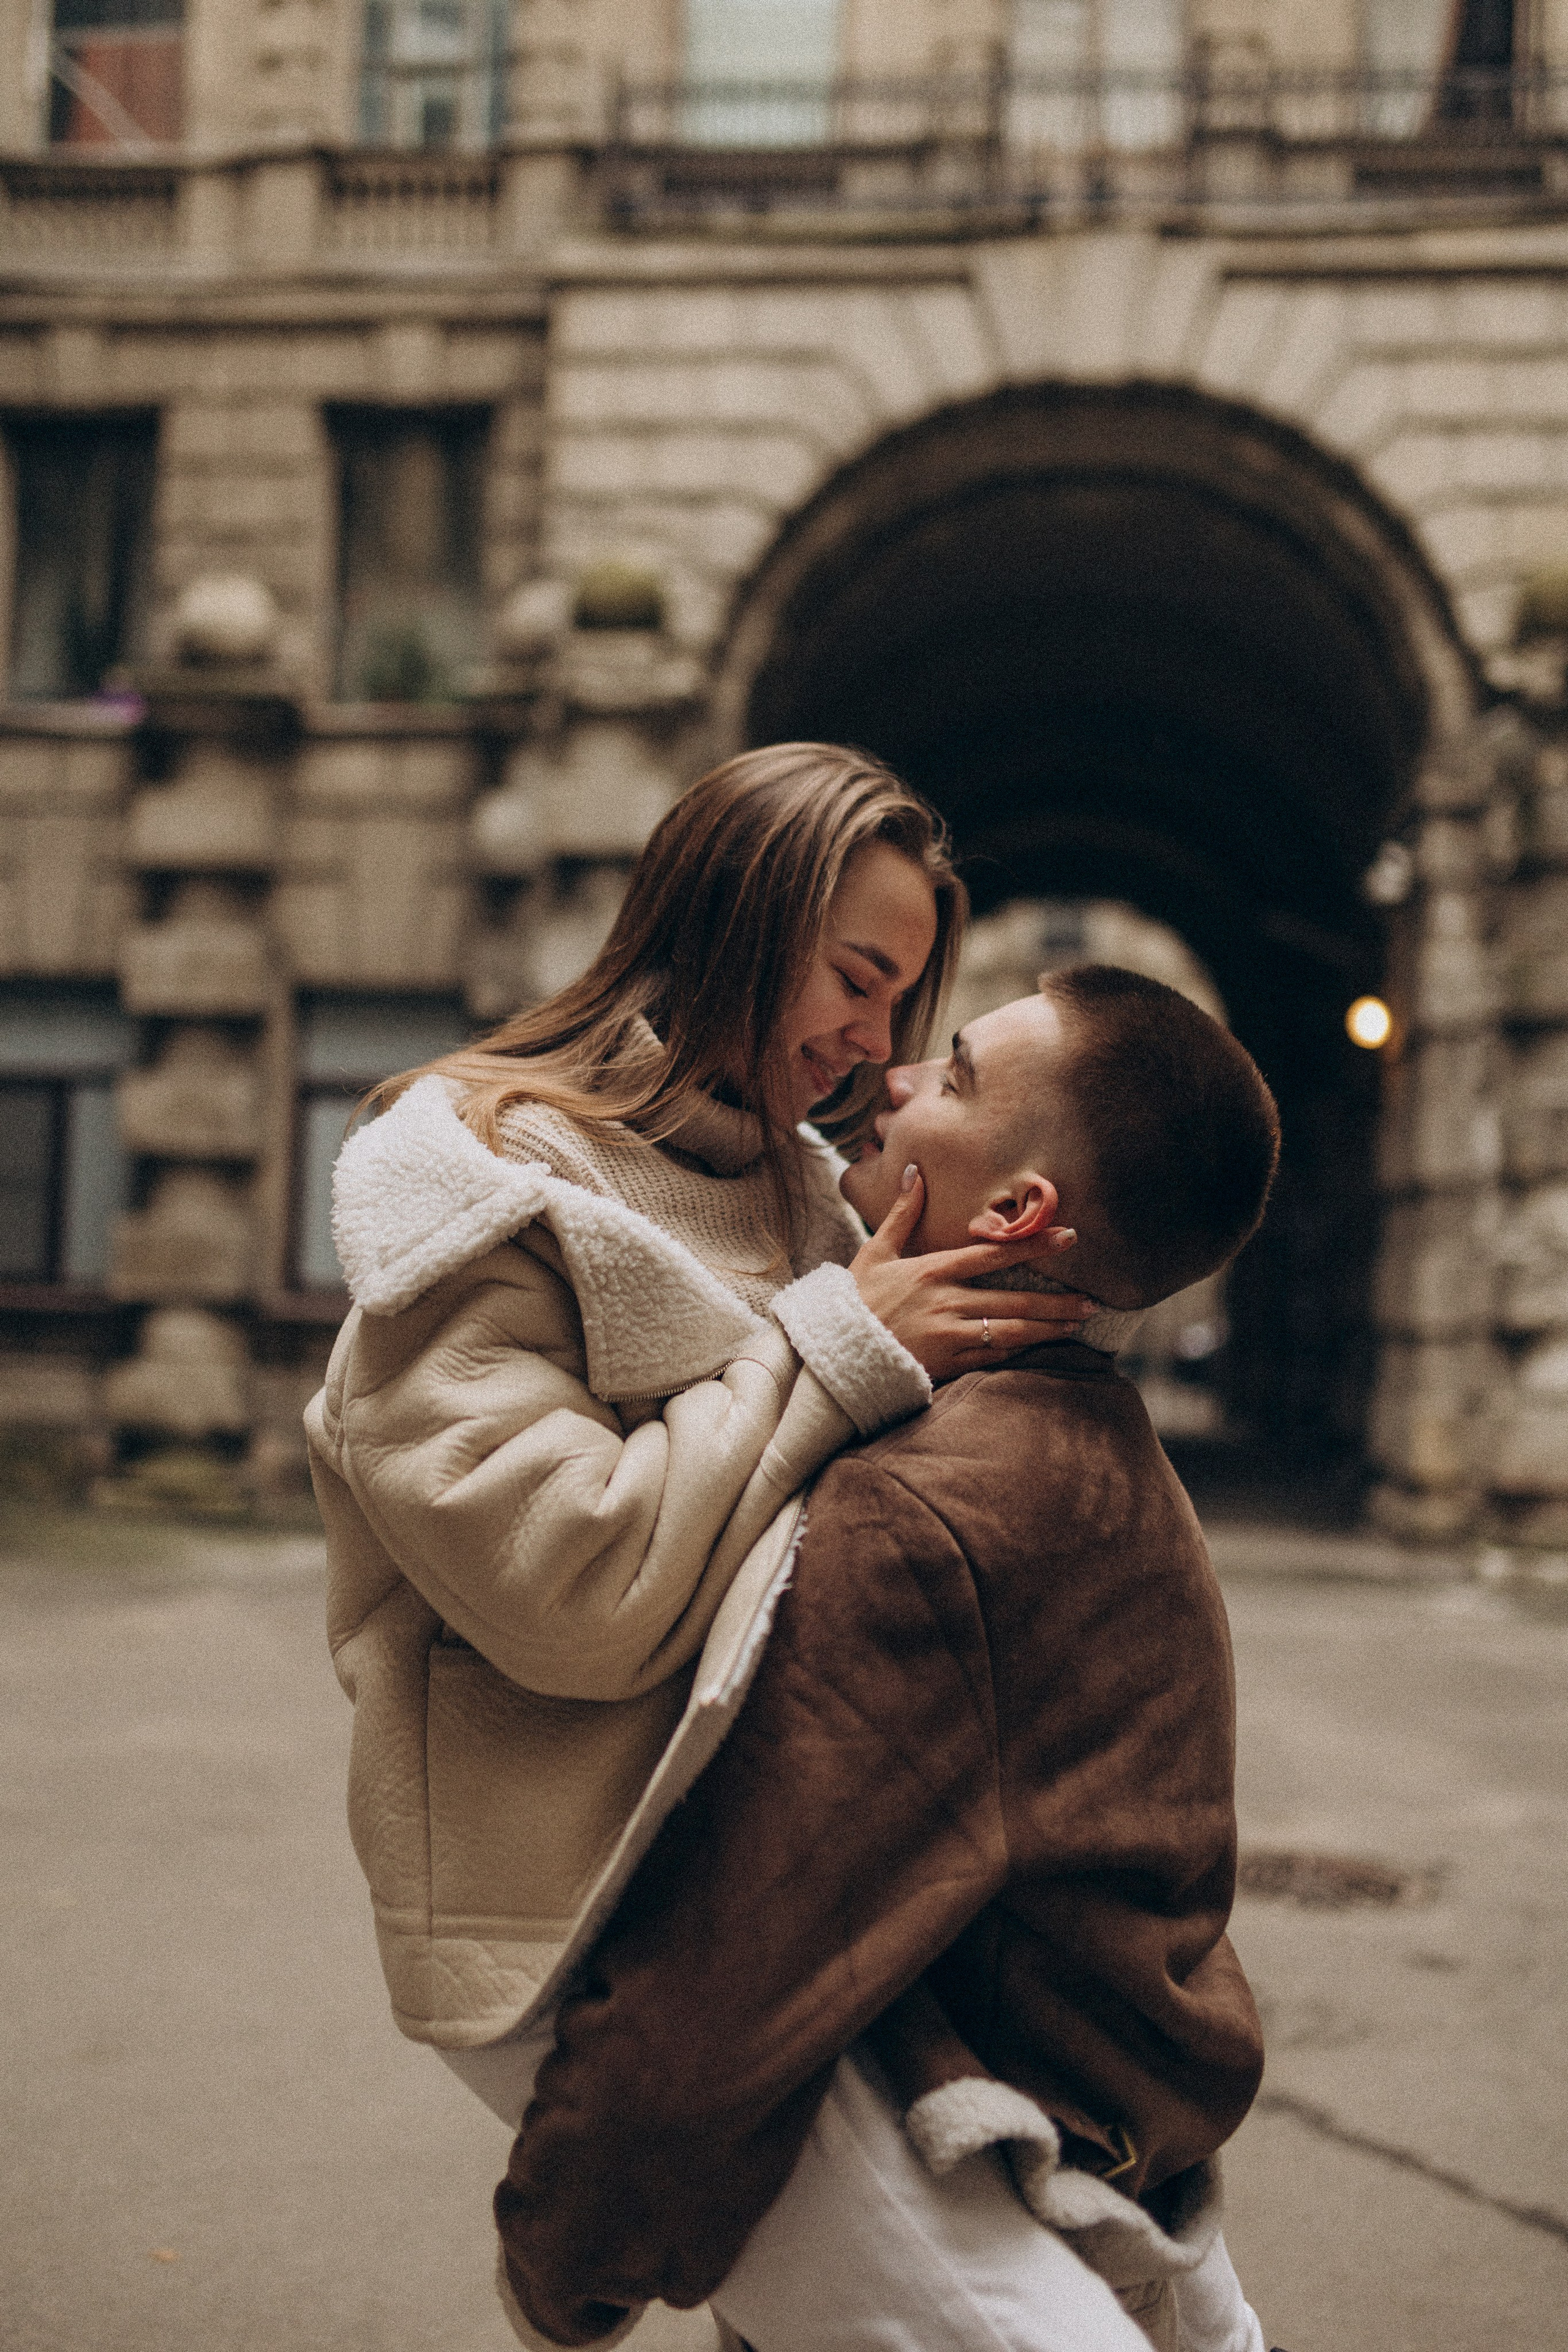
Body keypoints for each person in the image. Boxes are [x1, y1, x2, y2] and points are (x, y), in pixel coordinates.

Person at [489, 967, 1284, 2352]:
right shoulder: (1090, 1446)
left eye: (954, 1075)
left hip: (980, 2165)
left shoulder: (932, 1507)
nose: (896, 1075)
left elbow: (738, 1951)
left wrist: (564, 2257)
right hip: (1115, 2136)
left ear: (1017, 1211)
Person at [304, 744, 1094, 2096]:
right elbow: (575, 1590)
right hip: (564, 1899)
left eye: (900, 1002)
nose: (876, 1043)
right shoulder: (480, 1172)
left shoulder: (808, 1191)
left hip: (773, 1867)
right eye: (856, 980)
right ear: (738, 917)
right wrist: (838, 1349)